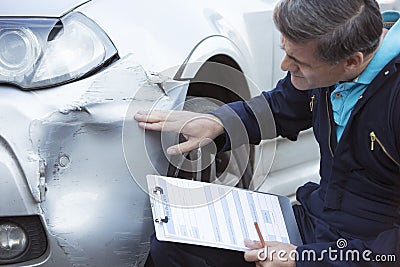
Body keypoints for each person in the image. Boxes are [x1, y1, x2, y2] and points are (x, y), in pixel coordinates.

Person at [134, 0, 400, 266]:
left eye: (297, 61)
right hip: (317, 223)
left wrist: (304, 259)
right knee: (175, 241)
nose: (284, 65)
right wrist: (218, 122)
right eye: (285, 51)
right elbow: (281, 105)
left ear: (352, 62)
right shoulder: (333, 63)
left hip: (366, 251)